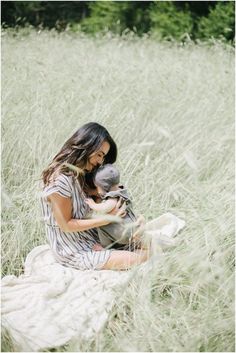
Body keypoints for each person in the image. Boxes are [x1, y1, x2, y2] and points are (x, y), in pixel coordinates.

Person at [41, 122, 152, 271]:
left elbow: (113, 200)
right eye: (99, 154)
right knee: (139, 258)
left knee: (150, 244)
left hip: (96, 237)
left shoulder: (82, 174)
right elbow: (66, 225)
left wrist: (136, 219)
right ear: (86, 146)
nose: (100, 161)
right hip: (74, 249)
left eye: (103, 157)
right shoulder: (59, 180)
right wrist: (107, 219)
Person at [85, 163, 145, 250]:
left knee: (101, 226)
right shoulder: (122, 191)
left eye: (97, 187)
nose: (97, 191)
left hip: (124, 232)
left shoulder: (113, 198)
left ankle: (105, 248)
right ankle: (132, 245)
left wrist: (93, 205)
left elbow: (106, 207)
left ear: (105, 187)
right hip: (133, 226)